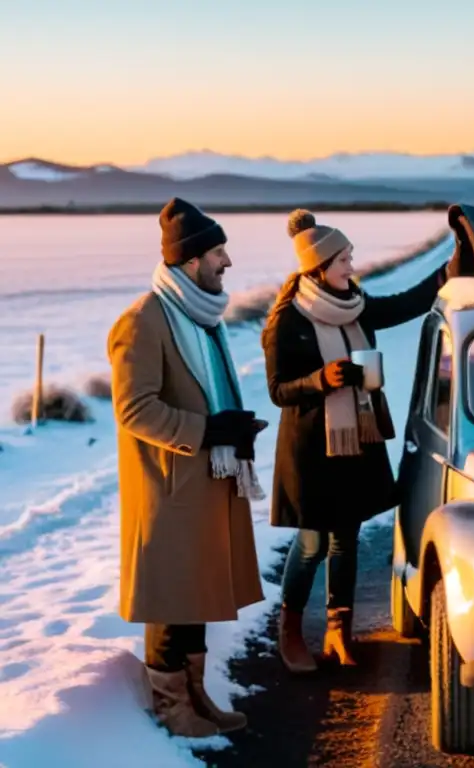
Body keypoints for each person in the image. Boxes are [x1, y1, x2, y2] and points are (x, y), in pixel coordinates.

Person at [262, 209, 467, 673]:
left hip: (355, 439)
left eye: (351, 258)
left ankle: (339, 632)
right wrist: (322, 378)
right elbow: (278, 391)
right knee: (313, 542)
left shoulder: (355, 303)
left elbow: (404, 304)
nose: (352, 267)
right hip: (313, 447)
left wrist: (448, 270)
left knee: (346, 540)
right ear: (319, 267)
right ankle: (290, 632)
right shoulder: (286, 322)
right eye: (344, 260)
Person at [107, 198, 268, 736]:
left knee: (194, 595)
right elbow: (134, 409)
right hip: (168, 488)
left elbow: (201, 394)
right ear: (190, 260)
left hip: (203, 483)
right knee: (171, 599)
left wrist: (232, 426)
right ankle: (171, 709)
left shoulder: (198, 317)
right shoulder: (143, 321)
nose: (227, 261)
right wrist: (207, 432)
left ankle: (198, 696)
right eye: (218, 251)